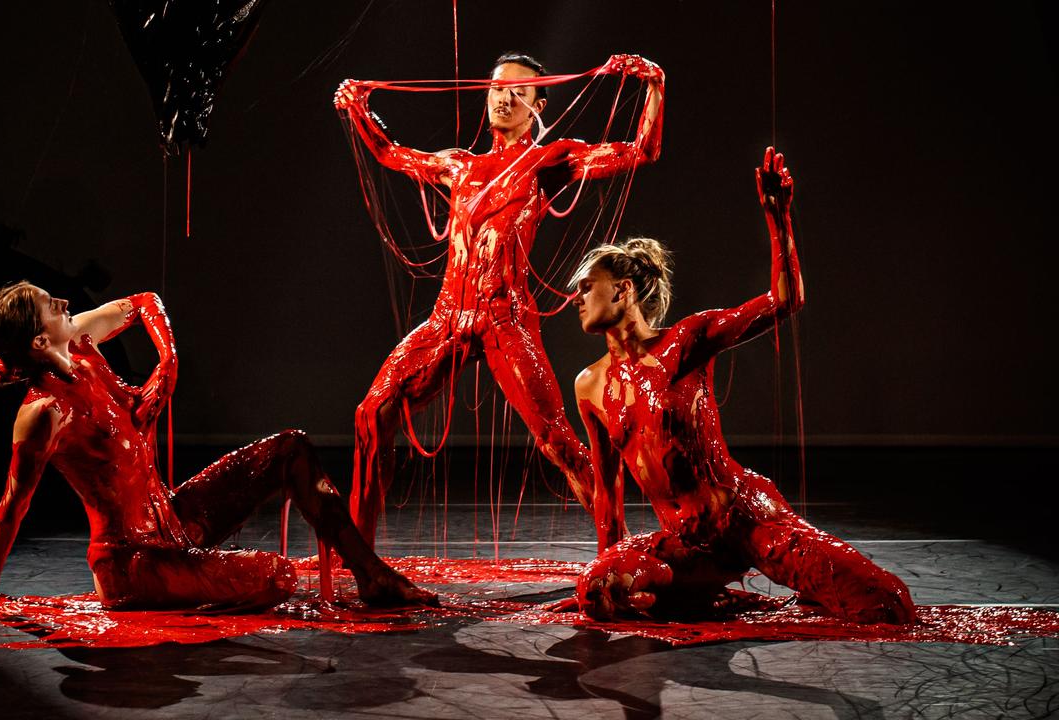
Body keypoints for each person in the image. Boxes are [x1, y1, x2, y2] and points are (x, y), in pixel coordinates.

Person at [566, 148, 916, 624]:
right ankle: (698, 591)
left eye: (587, 286)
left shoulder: (685, 341)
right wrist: (608, 567)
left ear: (623, 290)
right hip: (688, 544)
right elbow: (608, 488)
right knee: (596, 592)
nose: (576, 298)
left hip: (746, 520)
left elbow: (784, 301)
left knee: (886, 605)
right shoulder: (589, 385)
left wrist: (779, 217)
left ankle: (766, 581)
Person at [335, 52, 665, 546]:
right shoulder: (459, 165)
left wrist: (655, 86)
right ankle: (358, 557)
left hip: (505, 320)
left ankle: (616, 552)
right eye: (496, 89)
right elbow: (391, 153)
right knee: (372, 412)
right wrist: (357, 107)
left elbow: (640, 151)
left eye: (519, 91)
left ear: (538, 103)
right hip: (448, 318)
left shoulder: (548, 162)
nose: (504, 99)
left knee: (557, 441)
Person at [0, 282, 437, 610]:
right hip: (133, 563)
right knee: (275, 575)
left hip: (171, 522)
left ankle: (370, 573)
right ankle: (183, 583)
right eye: (50, 306)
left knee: (291, 448)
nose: (64, 301)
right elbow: (12, 505)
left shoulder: (79, 344)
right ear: (38, 340)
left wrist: (168, 361)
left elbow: (143, 302)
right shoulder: (43, 413)